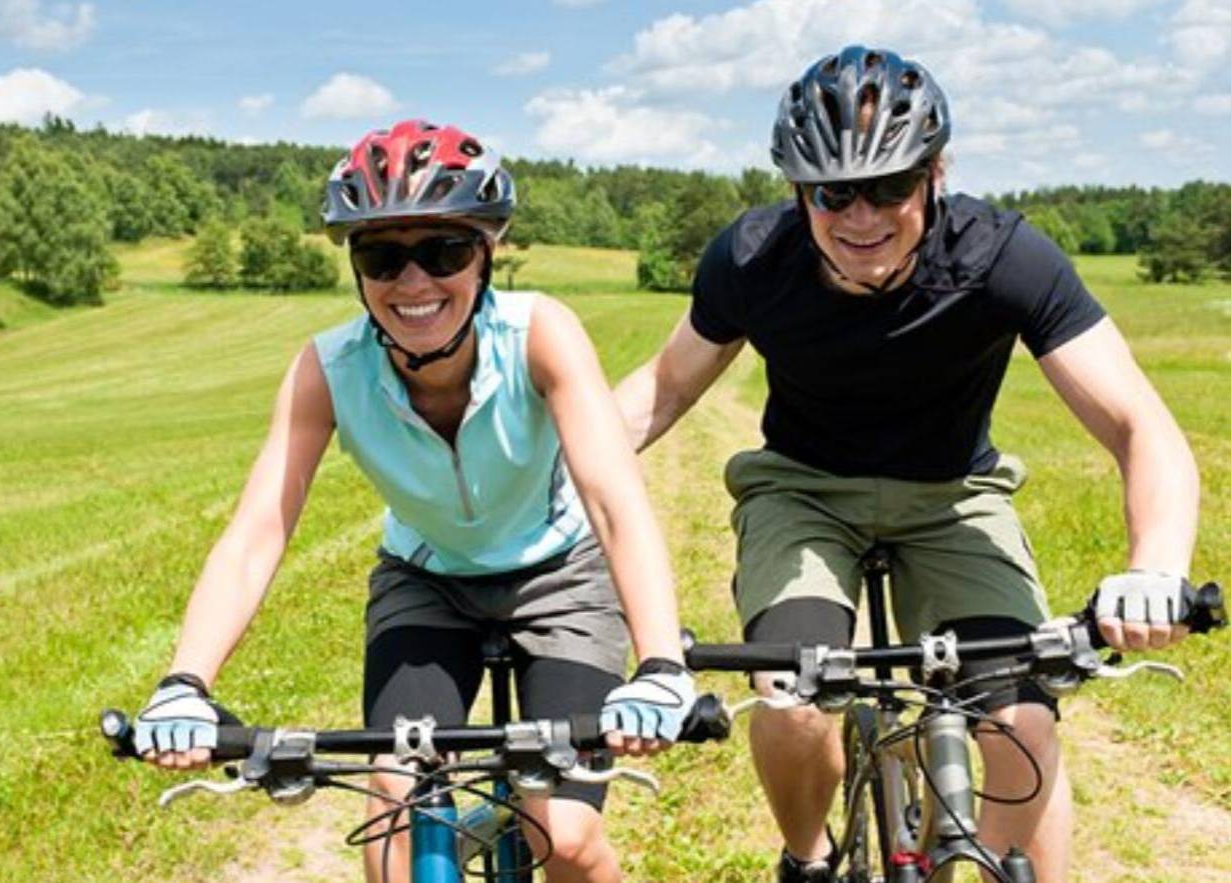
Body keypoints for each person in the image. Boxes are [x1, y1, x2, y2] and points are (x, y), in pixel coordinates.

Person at [613, 46, 1199, 883]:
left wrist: (1156, 565)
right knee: (793, 699)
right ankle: (808, 858)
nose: (862, 216)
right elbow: (659, 393)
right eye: (832, 192)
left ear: (935, 173)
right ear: (797, 192)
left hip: (954, 496)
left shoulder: (1001, 258)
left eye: (890, 186)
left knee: (1021, 722)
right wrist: (545, 480)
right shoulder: (750, 260)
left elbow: (1140, 423)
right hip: (804, 492)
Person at [130, 119, 697, 883]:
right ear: (357, 270)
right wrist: (184, 682)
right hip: (427, 584)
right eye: (382, 257)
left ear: (486, 254)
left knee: (562, 834)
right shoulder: (327, 368)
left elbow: (613, 497)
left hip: (559, 575)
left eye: (442, 252)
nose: (413, 283)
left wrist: (660, 660)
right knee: (395, 822)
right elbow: (258, 528)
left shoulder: (540, 333)